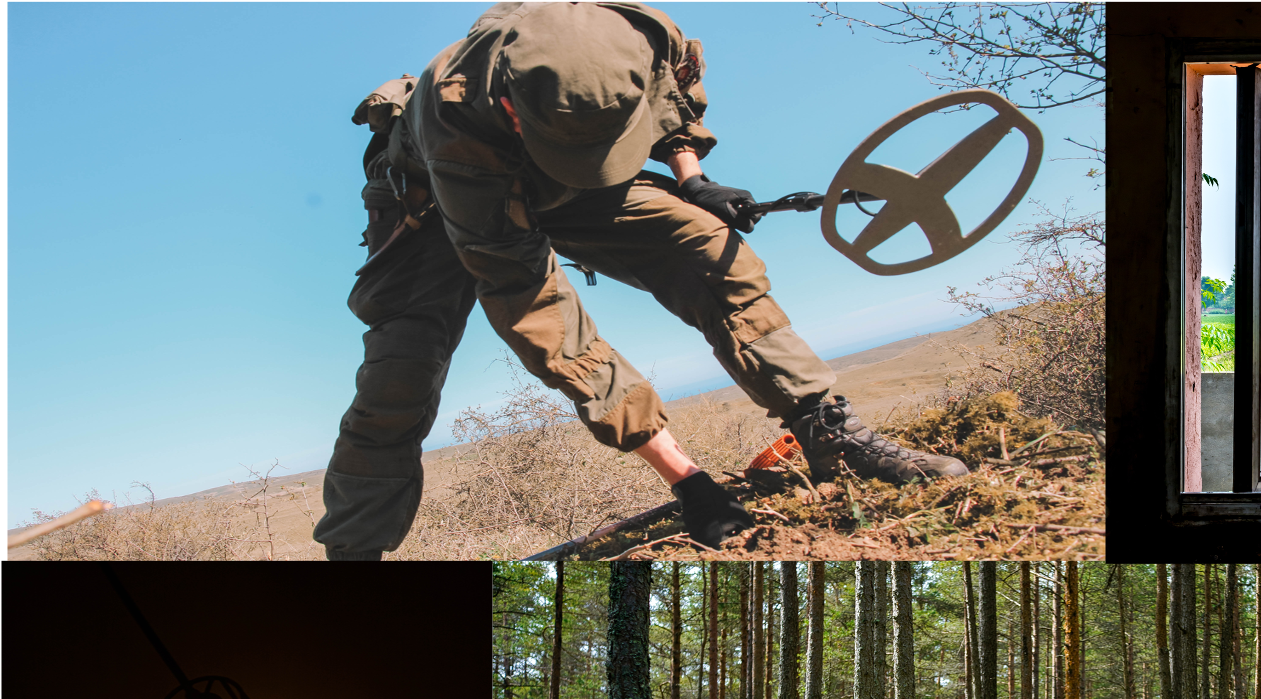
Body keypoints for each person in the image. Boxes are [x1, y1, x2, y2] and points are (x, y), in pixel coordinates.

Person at [313, 0, 967, 560]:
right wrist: (689, 482)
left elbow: (670, 96)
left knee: (704, 246)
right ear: (513, 109)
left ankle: (829, 433)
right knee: (400, 372)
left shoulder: (640, 29)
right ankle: (355, 556)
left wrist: (694, 180)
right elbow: (538, 310)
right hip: (430, 202)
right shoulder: (456, 118)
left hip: (563, 169)